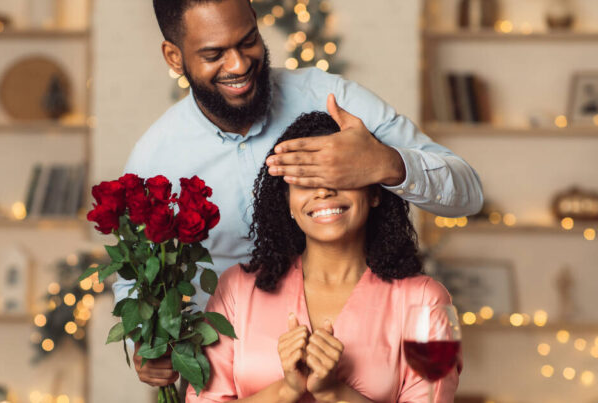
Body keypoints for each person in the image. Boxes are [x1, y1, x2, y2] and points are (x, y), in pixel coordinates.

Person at [120, 0, 481, 388]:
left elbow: (468, 193)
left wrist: (385, 162)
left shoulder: (331, 98)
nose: (239, 64)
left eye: (248, 41)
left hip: (361, 342)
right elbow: (137, 275)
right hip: (223, 371)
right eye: (214, 54)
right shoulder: (155, 159)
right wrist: (145, 343)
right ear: (174, 57)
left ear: (257, 24)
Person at [185, 112, 460, 402]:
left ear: (374, 192)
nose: (323, 190)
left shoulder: (426, 302)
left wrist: (334, 392)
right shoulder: (237, 289)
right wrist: (286, 389)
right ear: (287, 201)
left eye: (340, 174)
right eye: (305, 179)